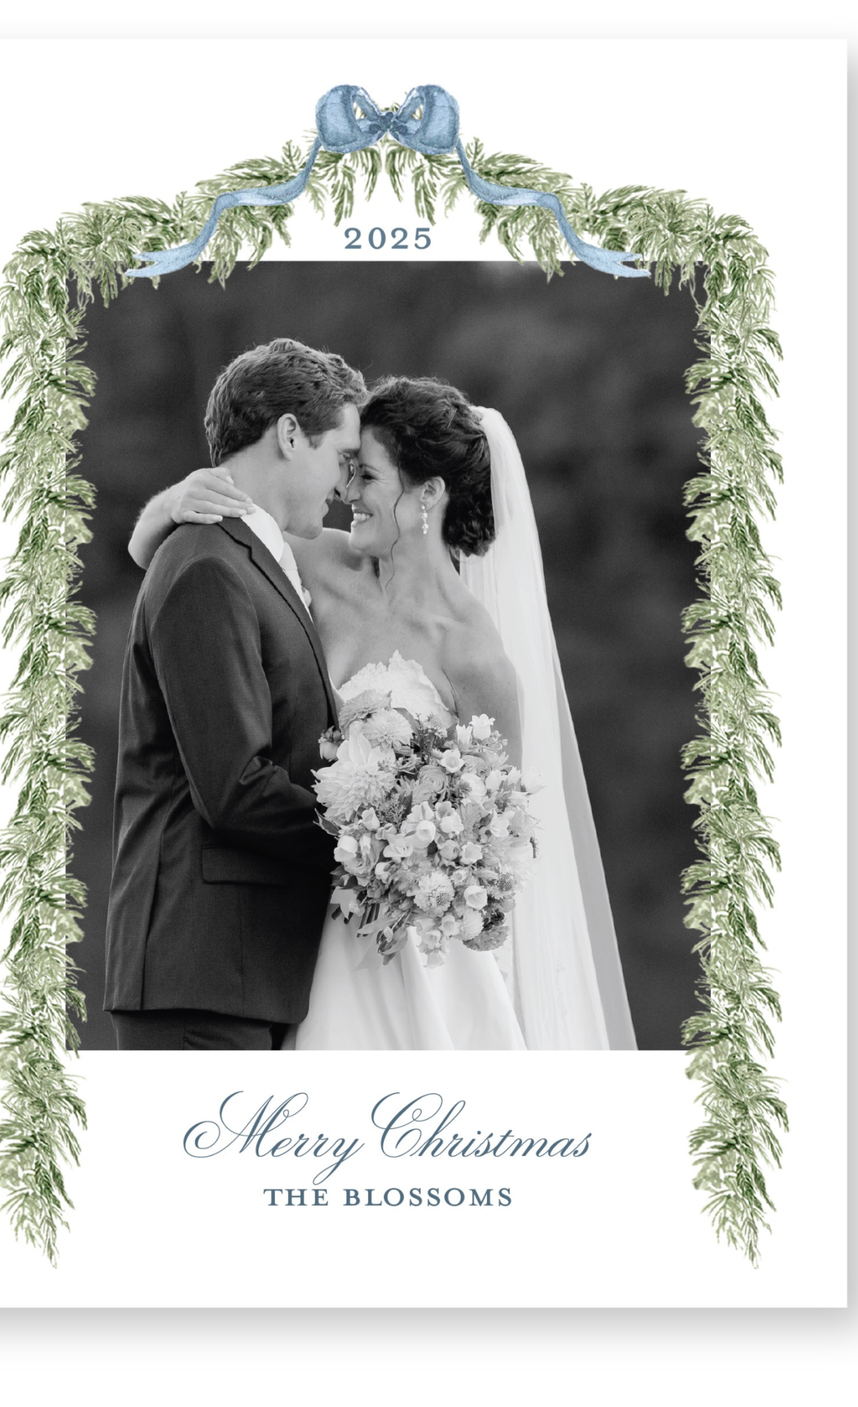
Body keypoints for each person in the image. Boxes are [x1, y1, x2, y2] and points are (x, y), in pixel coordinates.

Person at [129, 371, 638, 1050]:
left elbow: (498, 883)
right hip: (293, 936)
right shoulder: (316, 562)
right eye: (345, 469)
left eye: (364, 475)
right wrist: (173, 500)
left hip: (413, 962)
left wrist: (426, 861)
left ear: (426, 493)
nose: (345, 492)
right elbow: (168, 558)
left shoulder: (477, 660)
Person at [102, 338, 366, 1049]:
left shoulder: (253, 555)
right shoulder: (205, 564)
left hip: (241, 974)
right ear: (287, 434)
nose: (346, 484)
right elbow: (234, 786)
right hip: (198, 976)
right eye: (341, 457)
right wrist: (376, 843)